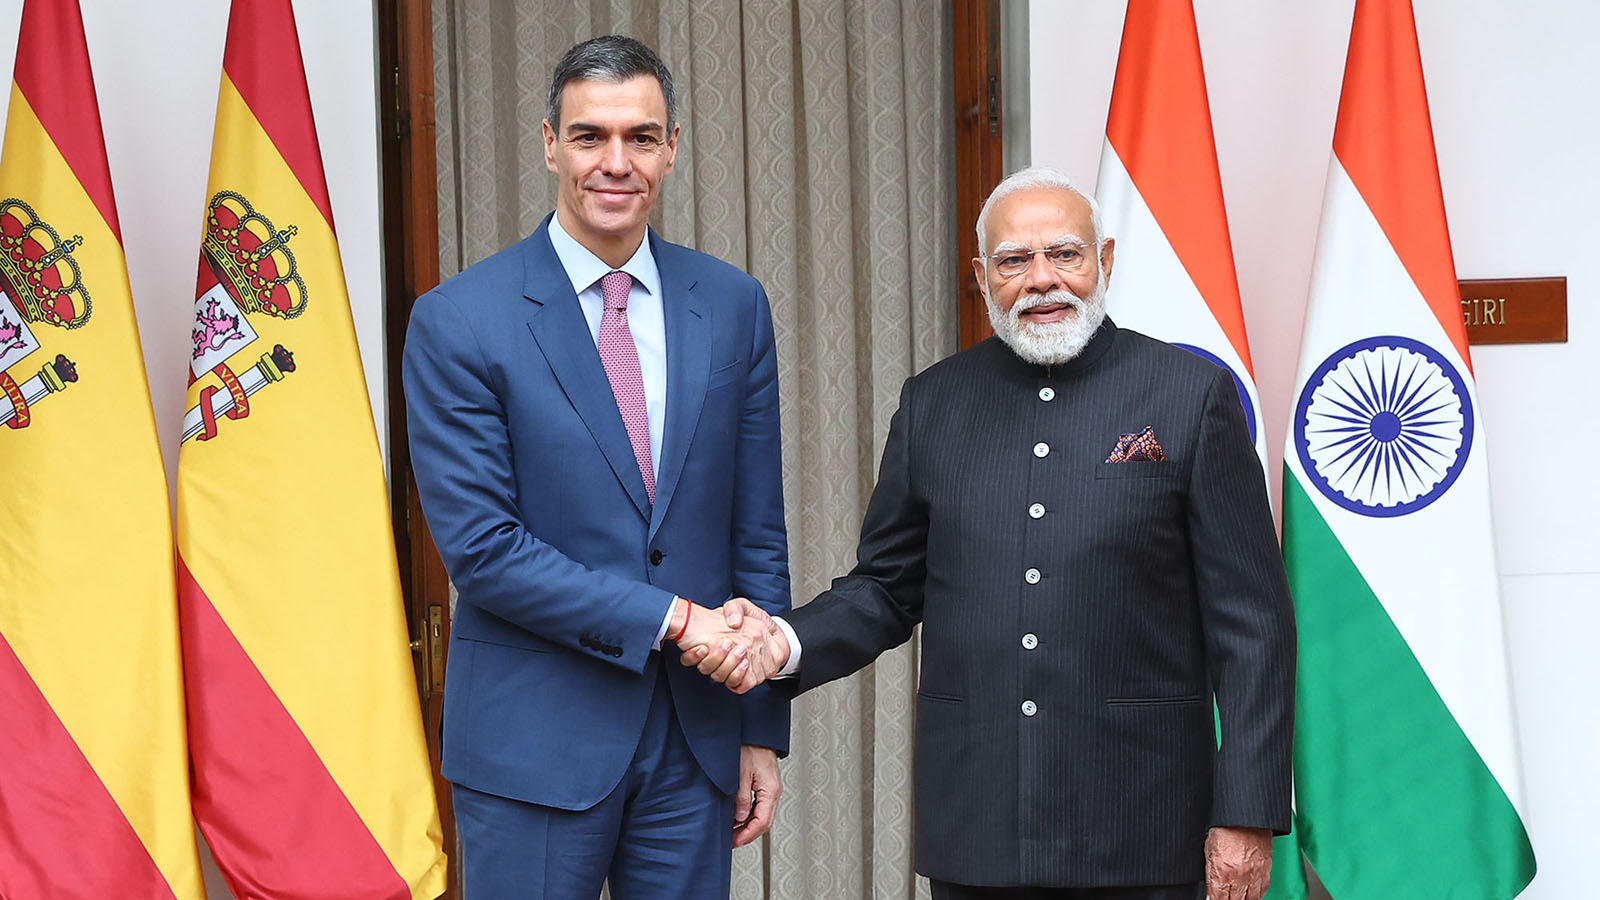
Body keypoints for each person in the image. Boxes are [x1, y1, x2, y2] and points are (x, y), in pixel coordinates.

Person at [692, 166, 1296, 900]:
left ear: (1104, 262)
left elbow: (1253, 622)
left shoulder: (1189, 397)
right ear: (984, 276)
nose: (1042, 280)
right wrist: (781, 644)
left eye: (1065, 254)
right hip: (977, 830)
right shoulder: (933, 405)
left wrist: (1247, 814)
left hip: (1144, 827)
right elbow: (884, 589)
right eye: (1015, 261)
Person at [404, 35, 790, 899]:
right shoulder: (459, 321)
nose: (616, 163)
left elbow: (757, 529)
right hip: (533, 744)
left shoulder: (732, 306)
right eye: (589, 137)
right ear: (549, 144)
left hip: (696, 740)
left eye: (640, 138)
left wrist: (760, 725)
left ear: (673, 147)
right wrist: (680, 620)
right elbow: (486, 551)